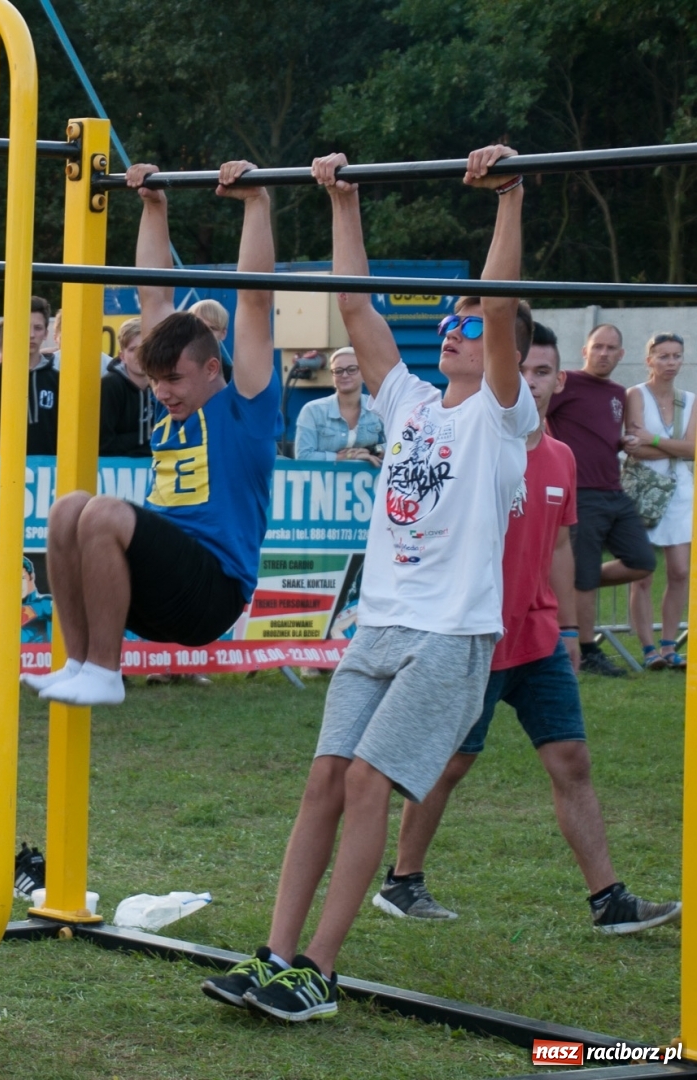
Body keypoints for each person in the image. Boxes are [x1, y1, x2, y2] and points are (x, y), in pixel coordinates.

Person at [200, 145, 538, 1024]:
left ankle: (318, 967)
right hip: (381, 626)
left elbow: (499, 317)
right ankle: (273, 953)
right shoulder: (411, 401)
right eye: (452, 321)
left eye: (469, 321)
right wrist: (342, 202)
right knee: (322, 779)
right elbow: (354, 305)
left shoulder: (503, 418)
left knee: (362, 784)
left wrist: (508, 201)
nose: (456, 328)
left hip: (450, 635)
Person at [370, 323, 680, 933]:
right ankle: (403, 881)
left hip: (537, 637)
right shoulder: (474, 442)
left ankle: (608, 899)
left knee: (572, 758)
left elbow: (560, 550)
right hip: (474, 638)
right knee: (452, 764)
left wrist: (570, 630)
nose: (533, 383)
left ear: (560, 380)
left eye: (544, 373)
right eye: (523, 371)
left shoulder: (561, 457)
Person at [19, 159, 279, 708]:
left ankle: (107, 673)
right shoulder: (169, 401)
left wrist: (257, 203)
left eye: (175, 380)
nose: (162, 392)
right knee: (68, 509)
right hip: (158, 585)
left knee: (106, 512)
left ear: (213, 370)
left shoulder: (245, 409)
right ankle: (79, 662)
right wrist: (152, 205)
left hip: (213, 588)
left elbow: (256, 300)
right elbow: (153, 299)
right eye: (157, 380)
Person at [545, 323, 656, 677]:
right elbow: (536, 413)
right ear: (585, 350)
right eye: (598, 347)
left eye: (611, 349)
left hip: (614, 489)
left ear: (621, 355)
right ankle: (589, 649)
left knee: (642, 561)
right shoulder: (565, 382)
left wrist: (626, 442)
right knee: (585, 577)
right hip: (579, 493)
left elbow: (603, 433)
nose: (604, 353)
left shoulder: (617, 393)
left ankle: (562, 586)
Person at [624, 332, 692, 670]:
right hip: (642, 490)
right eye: (663, 356)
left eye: (676, 356)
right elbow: (630, 446)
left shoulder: (690, 400)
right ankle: (648, 649)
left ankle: (669, 645)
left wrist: (652, 439)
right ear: (649, 359)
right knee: (643, 573)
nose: (671, 363)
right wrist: (670, 445)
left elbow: (693, 449)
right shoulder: (634, 394)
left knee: (680, 571)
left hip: (679, 491)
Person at [0, 296, 61, 456]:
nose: (31, 334)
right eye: (25, 327)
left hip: (46, 473)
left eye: (38, 328)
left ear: (46, 334)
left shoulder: (58, 381)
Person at [293, 346, 384, 464]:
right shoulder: (312, 411)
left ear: (364, 373)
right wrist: (345, 457)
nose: (344, 375)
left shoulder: (378, 408)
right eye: (338, 371)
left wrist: (373, 451)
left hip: (370, 481)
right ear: (333, 376)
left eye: (352, 369)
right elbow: (303, 457)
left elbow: (399, 445)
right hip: (325, 481)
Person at [99, 317, 160, 458]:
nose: (140, 355)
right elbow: (104, 444)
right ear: (122, 356)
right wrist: (148, 434)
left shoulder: (163, 386)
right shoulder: (110, 386)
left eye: (145, 348)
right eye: (133, 349)